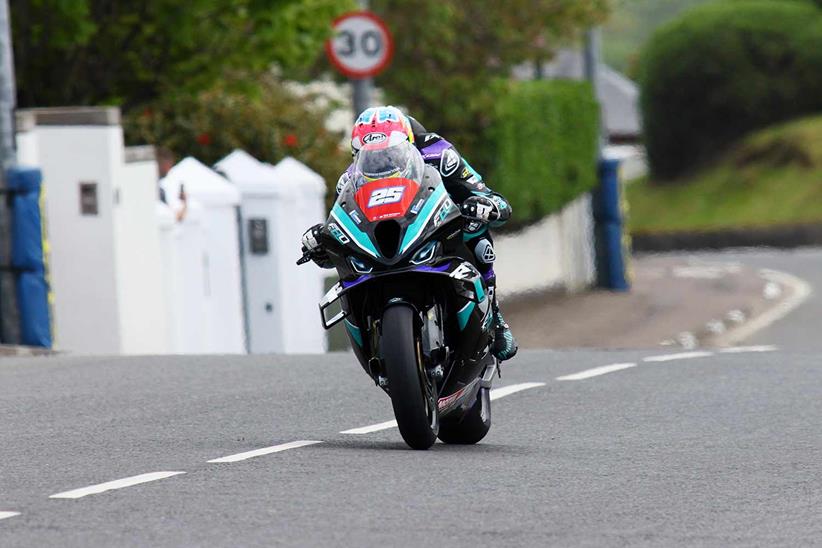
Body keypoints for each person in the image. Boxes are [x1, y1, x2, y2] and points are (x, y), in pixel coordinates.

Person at [302, 106, 517, 361]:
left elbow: (487, 195)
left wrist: (484, 205)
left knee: (477, 233)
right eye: (369, 156)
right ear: (356, 154)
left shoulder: (441, 154)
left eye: (390, 153)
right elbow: (342, 222)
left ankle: (494, 313)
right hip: (388, 245)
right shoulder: (350, 179)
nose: (381, 163)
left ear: (409, 141)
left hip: (437, 226)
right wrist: (321, 240)